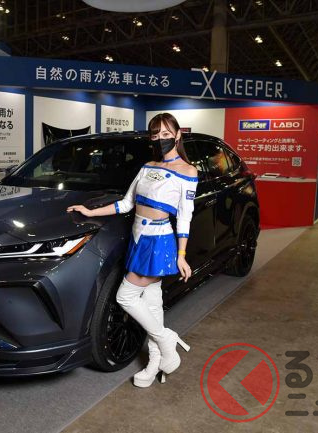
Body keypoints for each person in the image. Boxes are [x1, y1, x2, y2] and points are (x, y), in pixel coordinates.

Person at [67, 113, 197, 387]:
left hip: (158, 241)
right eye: (155, 134)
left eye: (166, 134)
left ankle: (166, 340)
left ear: (177, 135)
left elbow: (185, 217)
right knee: (152, 304)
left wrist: (182, 255)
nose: (160, 139)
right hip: (138, 238)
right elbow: (126, 204)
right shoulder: (147, 166)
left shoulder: (188, 171)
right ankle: (154, 363)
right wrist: (90, 211)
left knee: (125, 296)